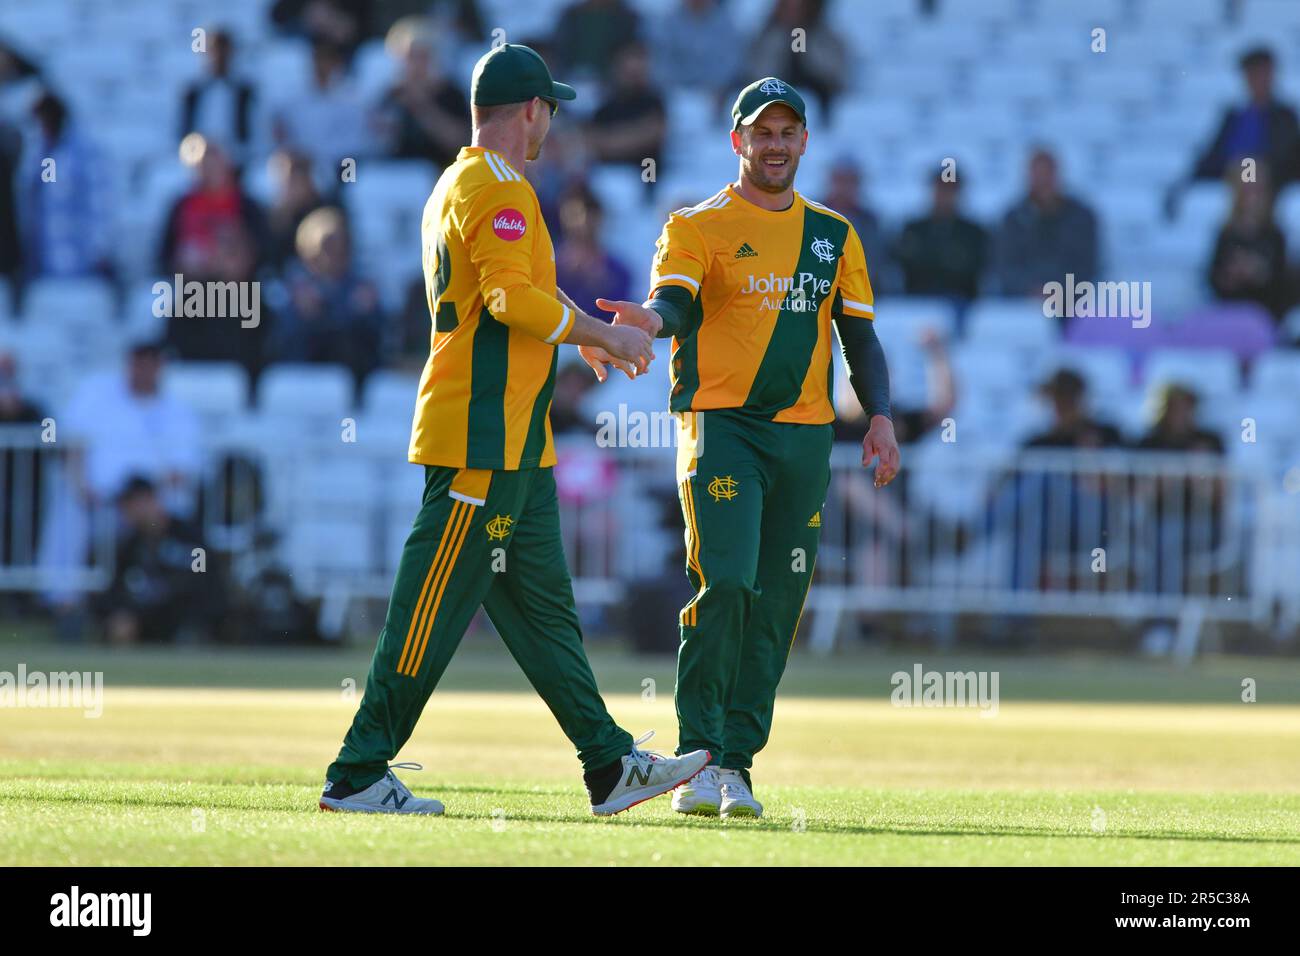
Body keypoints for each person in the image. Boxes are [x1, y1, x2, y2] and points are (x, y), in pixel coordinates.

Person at [321, 43, 708, 818]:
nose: (552, 122)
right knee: (426, 611)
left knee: (544, 616)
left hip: (514, 443)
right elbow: (507, 299)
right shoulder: (495, 185)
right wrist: (599, 337)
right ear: (530, 110)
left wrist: (573, 338)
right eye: (549, 107)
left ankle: (609, 766)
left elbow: (523, 296)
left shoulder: (469, 182)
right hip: (479, 440)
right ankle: (358, 770)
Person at [588, 77, 899, 818]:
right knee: (726, 583)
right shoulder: (697, 225)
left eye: (788, 132)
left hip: (805, 438)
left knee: (778, 602)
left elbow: (858, 334)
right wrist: (649, 324)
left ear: (804, 142)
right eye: (762, 132)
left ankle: (738, 765)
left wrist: (881, 416)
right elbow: (678, 300)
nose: (775, 144)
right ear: (738, 141)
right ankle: (697, 761)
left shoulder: (834, 234)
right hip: (721, 426)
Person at [97, 476, 225, 645]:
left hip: (187, 621)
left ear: (150, 500)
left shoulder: (190, 538)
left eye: (131, 503)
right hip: (148, 623)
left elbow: (203, 582)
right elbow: (117, 590)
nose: (125, 510)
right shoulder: (131, 546)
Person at [265, 205, 383, 387]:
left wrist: (360, 313)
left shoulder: (362, 289)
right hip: (299, 381)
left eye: (339, 247)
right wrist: (302, 315)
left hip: (352, 385)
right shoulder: (289, 291)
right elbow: (279, 343)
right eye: (325, 247)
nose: (332, 256)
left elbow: (377, 343)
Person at [994, 148, 1098, 300]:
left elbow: (1087, 265)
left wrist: (1059, 290)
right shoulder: (1013, 219)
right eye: (1038, 175)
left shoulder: (1081, 218)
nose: (1043, 181)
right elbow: (1004, 267)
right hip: (1024, 302)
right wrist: (1030, 290)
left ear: (1057, 176)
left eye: (1047, 174)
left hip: (1072, 300)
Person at [1193, 46, 1300, 186]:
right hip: (1234, 177)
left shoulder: (1285, 116)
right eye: (1253, 74)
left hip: (1268, 182)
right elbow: (1213, 156)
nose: (1258, 80)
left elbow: (1288, 158)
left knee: (1250, 168)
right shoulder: (1233, 116)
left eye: (1263, 74)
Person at [374, 17, 470, 170]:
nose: (416, 64)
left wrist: (422, 107)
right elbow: (378, 140)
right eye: (410, 57)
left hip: (440, 172)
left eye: (422, 56)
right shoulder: (392, 94)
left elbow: (457, 141)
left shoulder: (451, 93)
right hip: (398, 171)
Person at [893, 170, 988, 301]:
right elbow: (906, 265)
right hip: (918, 302)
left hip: (961, 302)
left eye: (950, 190)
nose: (945, 195)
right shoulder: (914, 229)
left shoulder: (974, 232)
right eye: (941, 188)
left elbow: (974, 269)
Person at [1208, 170, 1289, 320]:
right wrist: (1231, 276)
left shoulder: (1275, 236)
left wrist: (1259, 274)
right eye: (1248, 193)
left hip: (1264, 315)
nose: (1253, 199)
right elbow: (1213, 280)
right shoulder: (1226, 234)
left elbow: (1282, 286)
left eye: (1258, 192)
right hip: (1229, 311)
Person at [585, 41, 667, 173]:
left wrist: (611, 140)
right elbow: (593, 143)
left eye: (638, 70)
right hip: (607, 172)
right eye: (628, 71)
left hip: (647, 171)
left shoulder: (654, 100)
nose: (633, 74)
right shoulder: (605, 103)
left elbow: (654, 136)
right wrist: (637, 133)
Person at [179, 28, 257, 166]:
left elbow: (255, 136)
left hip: (238, 163)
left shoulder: (246, 92)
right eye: (214, 50)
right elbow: (182, 133)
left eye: (223, 50)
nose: (218, 56)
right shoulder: (192, 92)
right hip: (197, 162)